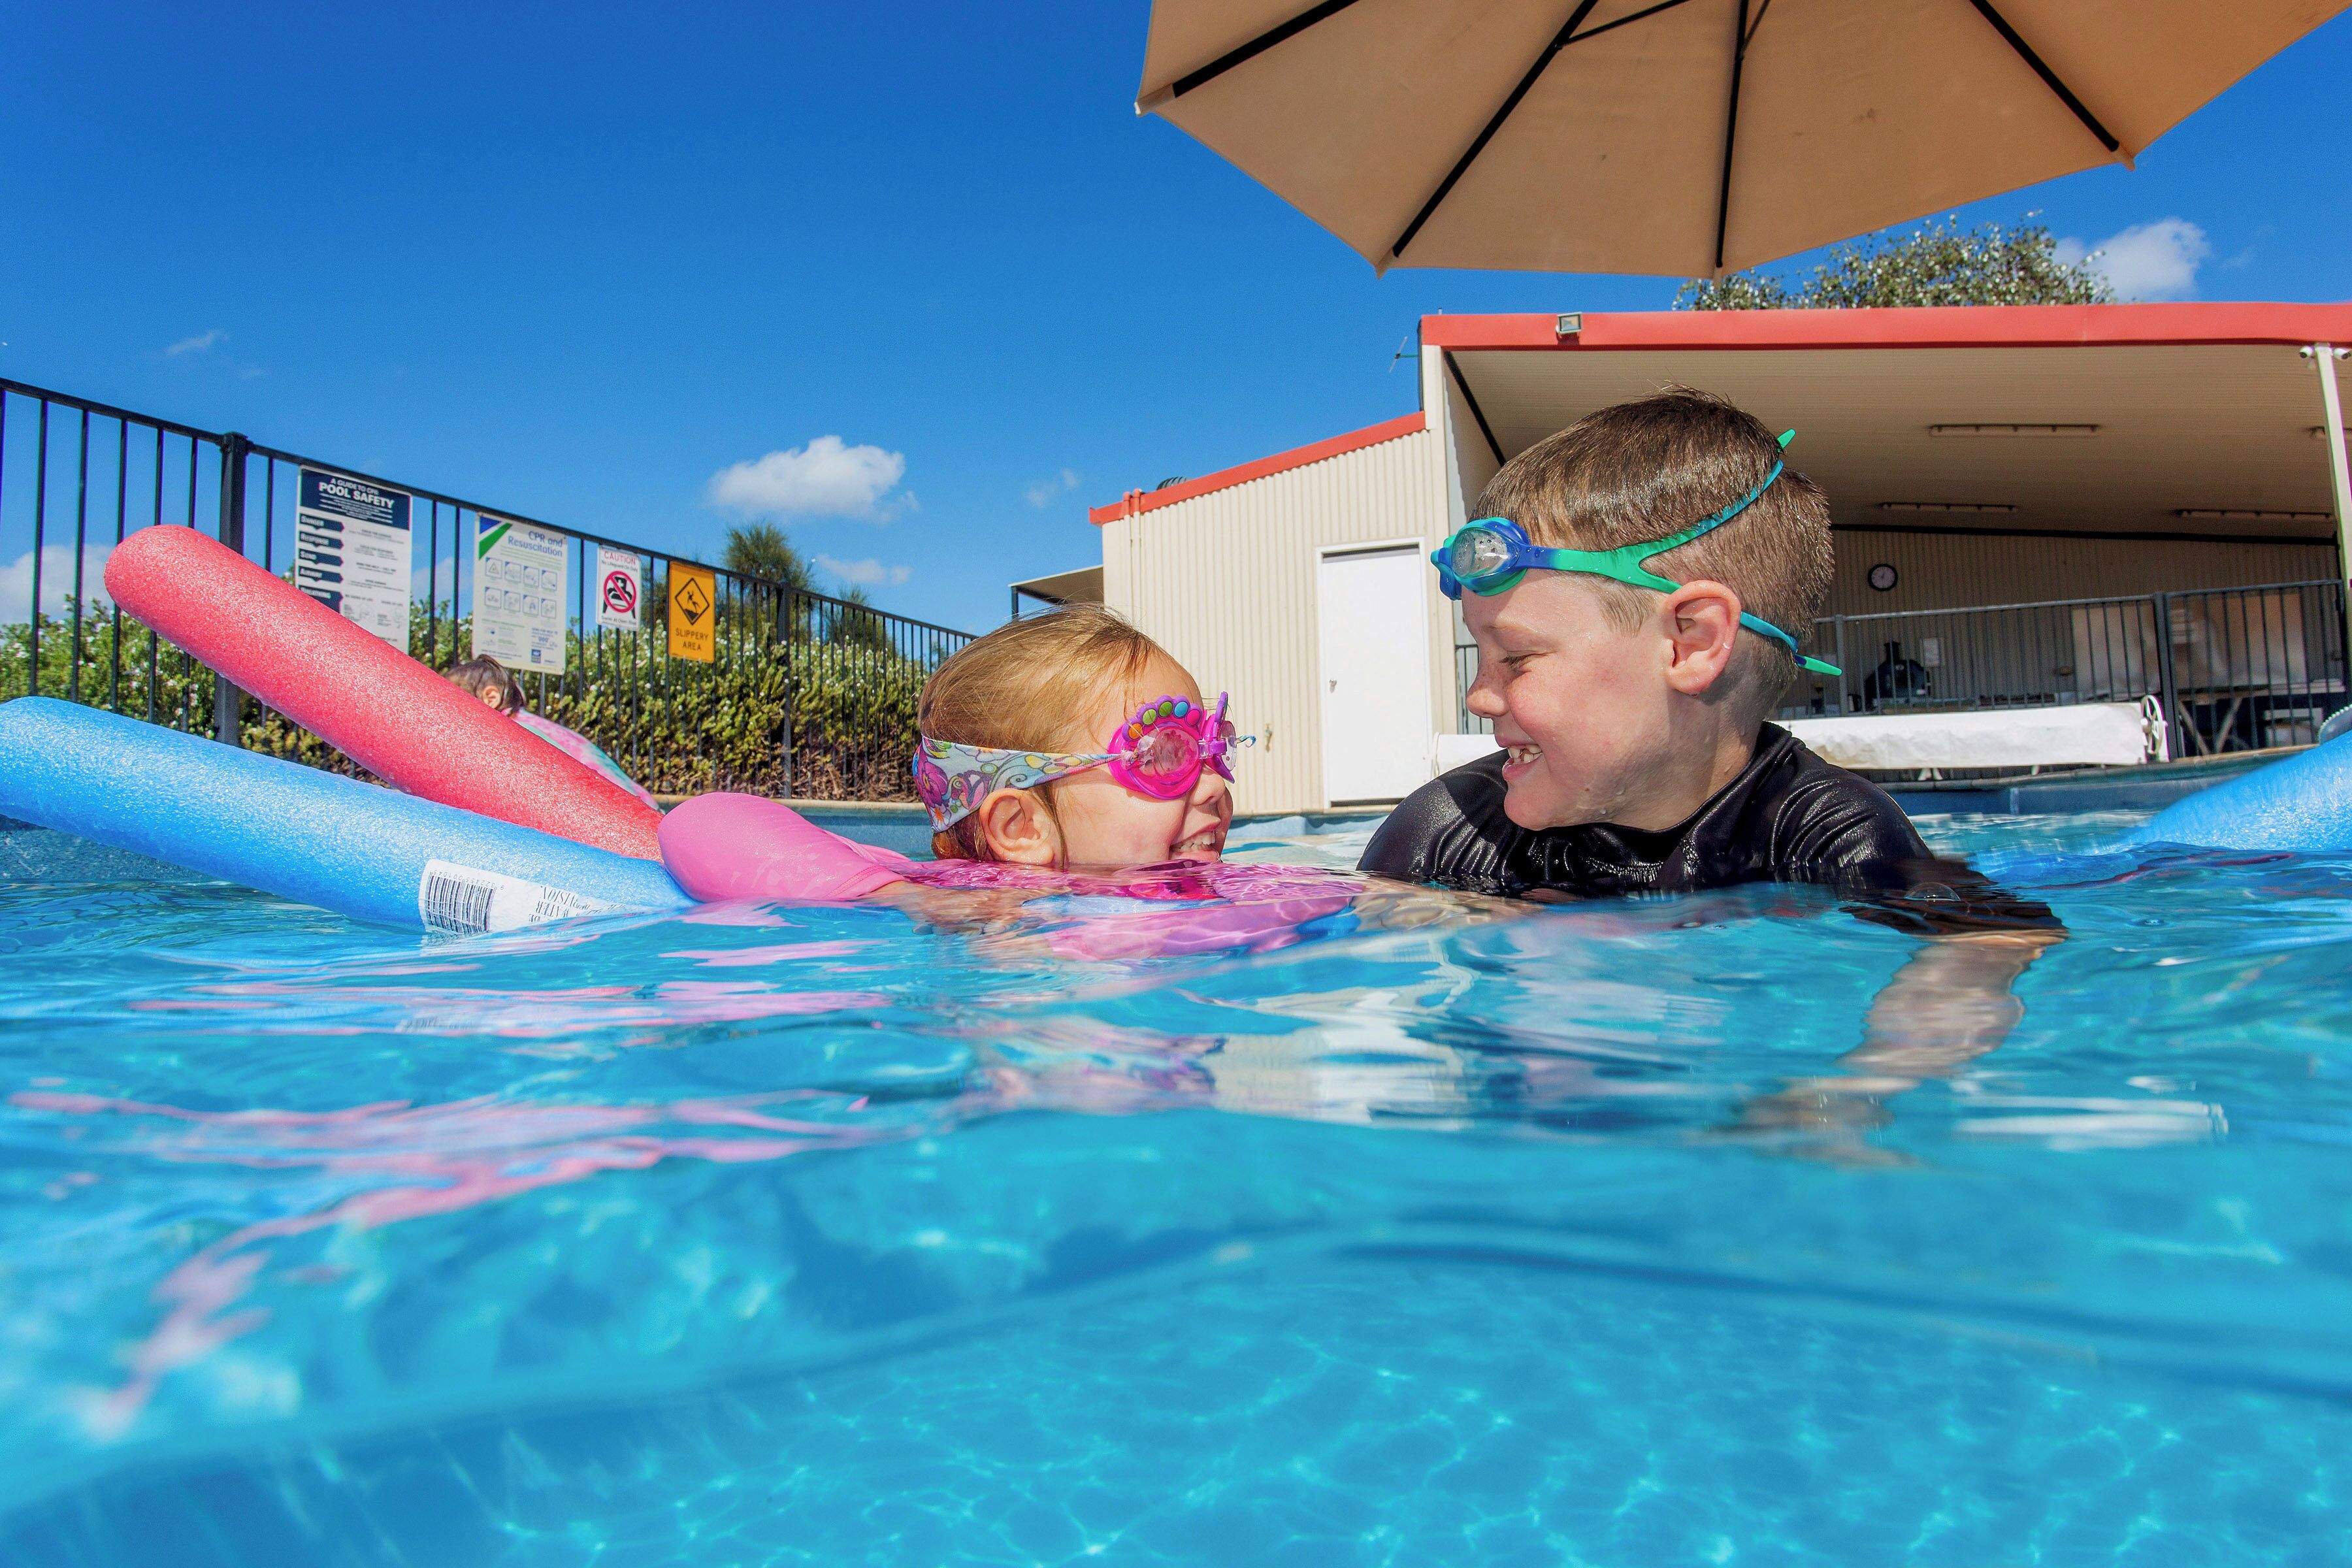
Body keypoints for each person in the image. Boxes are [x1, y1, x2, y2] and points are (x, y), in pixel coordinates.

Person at [1357, 389, 2059, 1147]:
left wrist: (1856, 1087)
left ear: (1690, 642)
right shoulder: (1447, 830)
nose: (1478, 694)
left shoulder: (1814, 828)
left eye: (1517, 657)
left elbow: (1995, 937)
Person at [446, 655, 660, 809]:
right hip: (640, 805)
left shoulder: (512, 732)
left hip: (625, 811)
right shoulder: (532, 723)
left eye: (454, 700)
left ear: (490, 698)